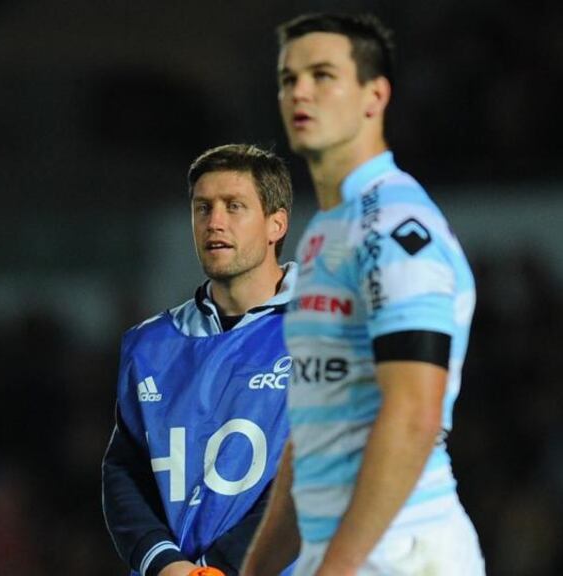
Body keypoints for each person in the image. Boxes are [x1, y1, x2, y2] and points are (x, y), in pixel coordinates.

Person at [242, 13, 485, 576]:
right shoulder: (329, 228)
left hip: (405, 553)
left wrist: (337, 569)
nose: (299, 90)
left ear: (375, 95)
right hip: (347, 555)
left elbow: (415, 413)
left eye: (322, 74)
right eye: (287, 78)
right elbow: (311, 429)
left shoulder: (394, 226)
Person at [103, 144, 297, 576]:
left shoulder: (325, 330)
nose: (215, 223)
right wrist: (167, 565)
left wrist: (219, 568)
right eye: (202, 208)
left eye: (234, 206)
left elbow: (325, 471)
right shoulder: (149, 346)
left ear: (276, 223)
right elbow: (124, 474)